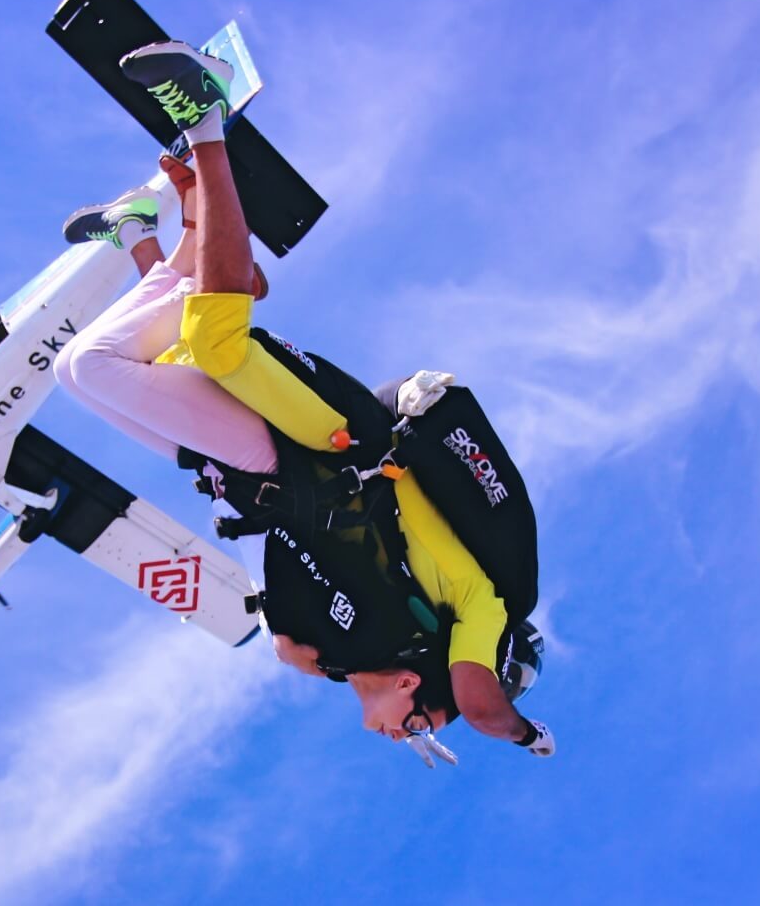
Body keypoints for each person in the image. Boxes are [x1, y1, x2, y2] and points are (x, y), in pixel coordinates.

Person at [54, 40, 553, 760]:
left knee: (90, 372)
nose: (395, 733)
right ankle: (204, 118)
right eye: (418, 727)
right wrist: (528, 735)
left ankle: (154, 234)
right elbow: (480, 707)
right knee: (207, 343)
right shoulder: (483, 607)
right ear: (424, 686)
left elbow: (290, 614)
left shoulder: (356, 643)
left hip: (258, 477)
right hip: (333, 445)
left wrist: (302, 649)